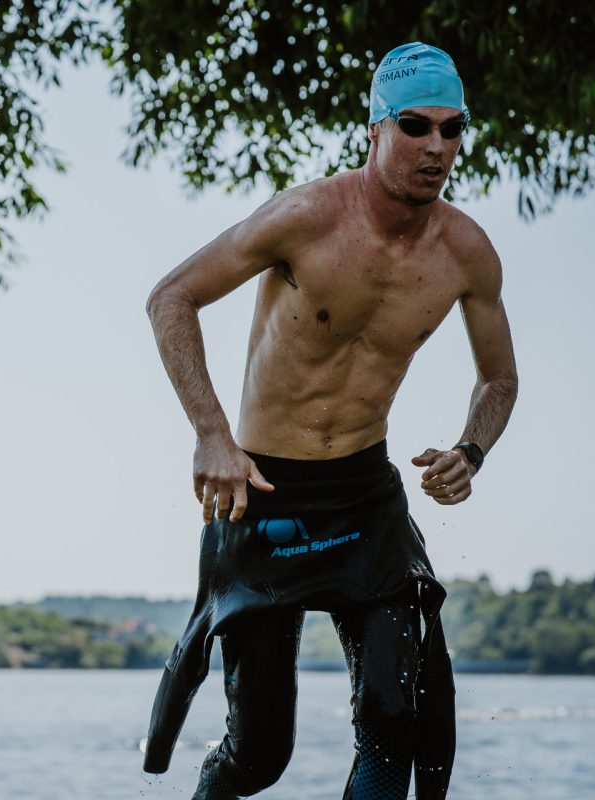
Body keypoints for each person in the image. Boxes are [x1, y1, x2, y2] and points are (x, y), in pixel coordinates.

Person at [141, 42, 518, 800]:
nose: (437, 147)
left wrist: (472, 450)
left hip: (364, 494)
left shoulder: (467, 252)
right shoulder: (305, 217)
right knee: (259, 755)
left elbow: (499, 378)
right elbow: (171, 298)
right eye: (416, 126)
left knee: (393, 720)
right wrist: (211, 432)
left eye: (453, 129)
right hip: (262, 493)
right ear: (374, 128)